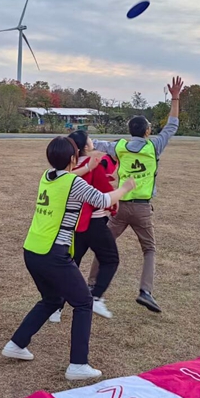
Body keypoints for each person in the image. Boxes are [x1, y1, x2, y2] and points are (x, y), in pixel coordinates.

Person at [2, 137, 136, 381]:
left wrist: (88, 167)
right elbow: (104, 200)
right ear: (73, 158)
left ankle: (16, 344)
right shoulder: (74, 182)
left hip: (32, 249)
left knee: (52, 299)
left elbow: (73, 173)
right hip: (53, 253)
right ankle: (78, 364)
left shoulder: (47, 176)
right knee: (84, 303)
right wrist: (125, 188)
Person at [89, 76, 183, 313]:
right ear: (148, 131)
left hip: (119, 206)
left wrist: (79, 140)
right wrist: (175, 97)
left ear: (130, 131)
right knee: (149, 249)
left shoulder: (120, 146)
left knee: (105, 245)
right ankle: (145, 291)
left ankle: (91, 287)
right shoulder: (155, 146)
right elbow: (172, 125)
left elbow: (96, 144)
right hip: (141, 208)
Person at [48, 130, 120, 323]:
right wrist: (116, 201)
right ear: (84, 146)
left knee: (72, 264)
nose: (91, 140)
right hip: (93, 222)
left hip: (73, 223)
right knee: (111, 258)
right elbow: (105, 194)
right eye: (89, 138)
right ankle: (96, 296)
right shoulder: (93, 166)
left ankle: (56, 307)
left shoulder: (64, 169)